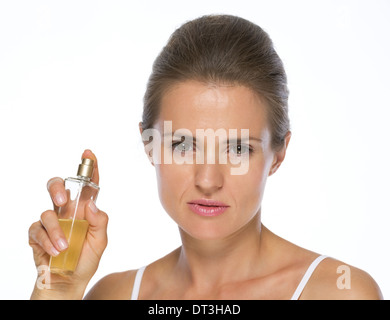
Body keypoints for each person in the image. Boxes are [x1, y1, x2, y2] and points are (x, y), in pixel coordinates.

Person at [29, 14, 383, 300]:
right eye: (183, 145)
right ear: (149, 145)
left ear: (278, 154)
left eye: (239, 149)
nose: (208, 180)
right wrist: (58, 289)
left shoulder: (339, 292)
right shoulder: (114, 295)